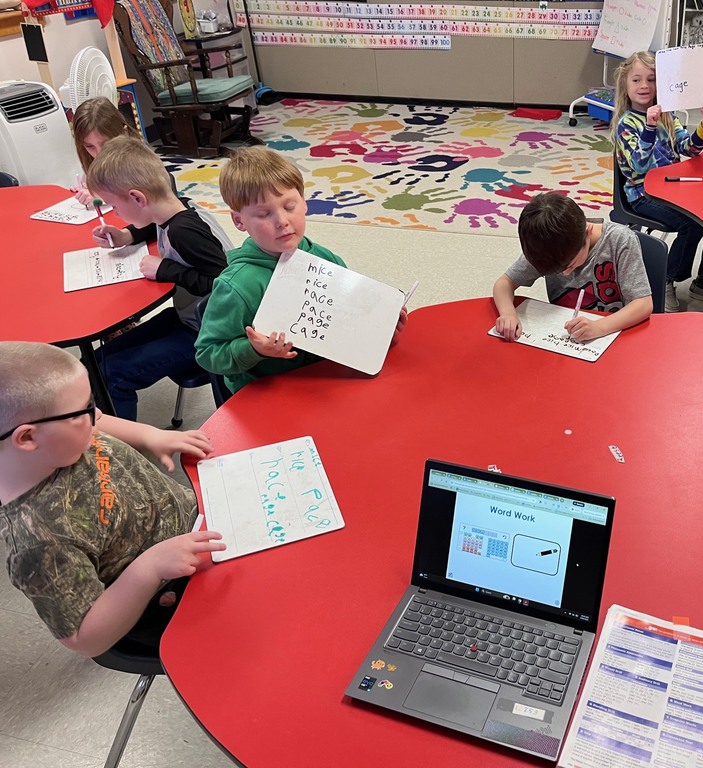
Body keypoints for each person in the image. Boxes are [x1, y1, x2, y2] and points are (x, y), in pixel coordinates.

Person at [0, 341, 225, 657]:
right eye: (85, 409)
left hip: (196, 524)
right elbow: (86, 639)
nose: (97, 415)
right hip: (165, 594)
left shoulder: (60, 439)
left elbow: (99, 421)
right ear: (27, 437)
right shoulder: (38, 544)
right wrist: (148, 569)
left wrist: (150, 435)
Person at [195, 146, 408, 393]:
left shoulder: (324, 258)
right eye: (264, 214)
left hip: (326, 381)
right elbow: (208, 353)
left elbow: (344, 318)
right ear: (239, 221)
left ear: (304, 203)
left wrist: (380, 328)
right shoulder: (237, 286)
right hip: (268, 393)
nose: (282, 221)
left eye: (289, 207)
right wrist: (253, 349)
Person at [87, 136, 231, 420]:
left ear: (138, 198)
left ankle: (126, 455)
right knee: (93, 362)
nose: (115, 214)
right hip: (189, 319)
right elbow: (154, 223)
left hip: (210, 333)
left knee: (111, 374)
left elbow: (225, 283)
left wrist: (166, 270)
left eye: (115, 207)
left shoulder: (184, 232)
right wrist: (127, 234)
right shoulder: (176, 209)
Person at [611, 50, 703, 313]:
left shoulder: (669, 116)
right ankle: (666, 279)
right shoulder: (626, 124)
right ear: (625, 85)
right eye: (636, 80)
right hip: (642, 194)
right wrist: (650, 127)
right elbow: (640, 166)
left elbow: (690, 148)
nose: (644, 86)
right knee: (693, 223)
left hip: (673, 187)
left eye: (651, 79)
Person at [492, 192, 653, 342]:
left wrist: (599, 327)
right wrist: (508, 314)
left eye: (570, 265)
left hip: (614, 334)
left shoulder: (619, 240)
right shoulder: (547, 245)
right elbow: (504, 284)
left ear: (588, 232)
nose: (566, 272)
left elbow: (643, 304)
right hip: (567, 338)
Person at [70, 97, 141, 208]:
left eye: (106, 144)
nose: (99, 154)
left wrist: (103, 197)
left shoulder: (140, 161)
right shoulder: (92, 163)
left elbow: (144, 201)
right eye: (89, 146)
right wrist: (85, 190)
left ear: (123, 132)